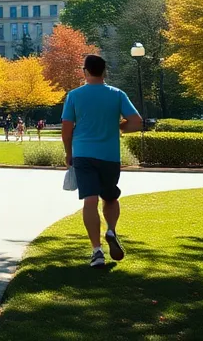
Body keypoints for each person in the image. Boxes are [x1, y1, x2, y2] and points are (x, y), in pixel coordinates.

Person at [62, 54, 143, 269]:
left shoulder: (74, 95)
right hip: (109, 155)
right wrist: (119, 127)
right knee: (110, 197)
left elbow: (67, 129)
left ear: (85, 71)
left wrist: (68, 153)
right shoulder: (117, 94)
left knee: (90, 201)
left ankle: (97, 251)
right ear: (104, 71)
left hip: (83, 154)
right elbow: (136, 122)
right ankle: (111, 230)